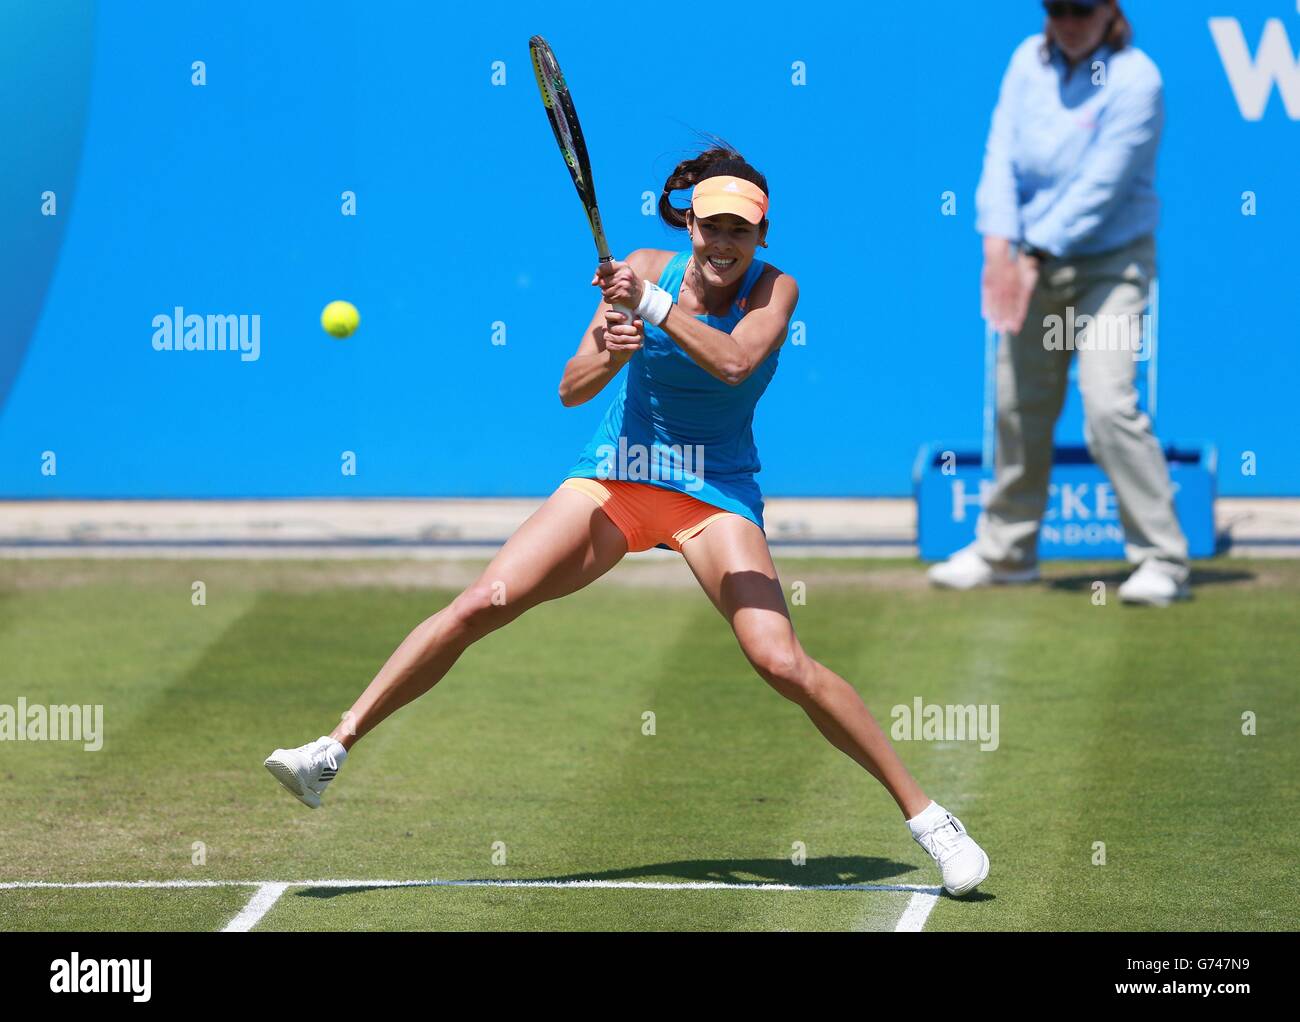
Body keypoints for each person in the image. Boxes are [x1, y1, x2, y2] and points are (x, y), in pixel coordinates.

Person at [265, 145, 989, 897]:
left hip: (715, 494)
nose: (723, 243)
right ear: (690, 222)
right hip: (618, 476)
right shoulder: (648, 265)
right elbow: (571, 389)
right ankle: (332, 747)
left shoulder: (776, 292)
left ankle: (931, 820)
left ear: (762, 235)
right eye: (711, 226)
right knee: (486, 601)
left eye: (740, 231)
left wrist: (650, 306)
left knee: (779, 661)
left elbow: (736, 364)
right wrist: (612, 350)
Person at [929, 0, 1192, 606]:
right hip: (1029, 260)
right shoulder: (1027, 61)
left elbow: (1103, 185)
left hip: (1111, 265)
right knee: (1018, 406)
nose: (1068, 19)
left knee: (1108, 406)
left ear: (1109, 11)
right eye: (1057, 7)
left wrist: (1031, 255)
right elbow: (1000, 159)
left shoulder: (1136, 79)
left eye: (1081, 8)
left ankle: (1162, 560)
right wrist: (998, 245)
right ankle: (1008, 552)